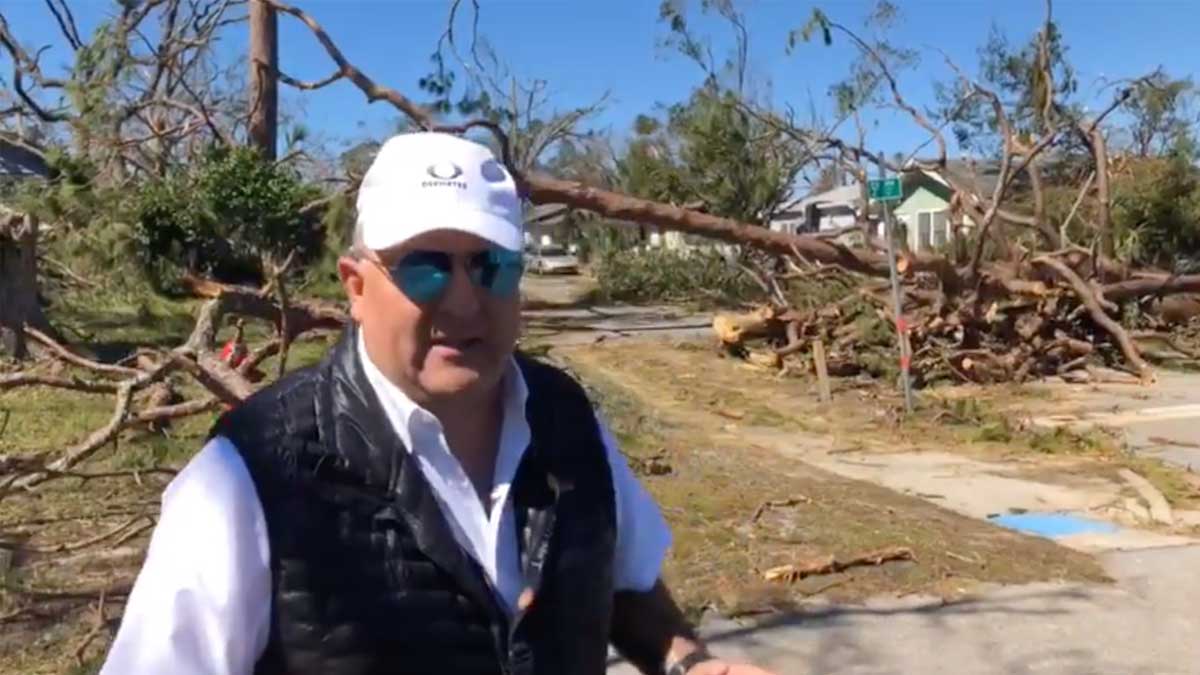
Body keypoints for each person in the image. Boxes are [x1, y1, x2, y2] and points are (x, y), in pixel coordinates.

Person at [100, 132, 777, 675]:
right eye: (426, 266)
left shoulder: (567, 419)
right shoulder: (250, 473)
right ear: (355, 286)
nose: (462, 300)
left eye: (491, 266)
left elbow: (621, 580)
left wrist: (693, 663)